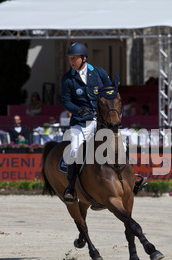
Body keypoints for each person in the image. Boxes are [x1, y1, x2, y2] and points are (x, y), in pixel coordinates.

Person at [61, 42, 147, 202]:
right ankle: (71, 188)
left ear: (84, 58)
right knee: (73, 151)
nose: (71, 61)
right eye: (70, 59)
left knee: (122, 145)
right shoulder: (67, 79)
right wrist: (79, 110)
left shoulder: (98, 73)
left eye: (74, 58)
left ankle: (132, 179)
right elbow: (66, 102)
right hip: (81, 122)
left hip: (102, 120)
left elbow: (110, 94)